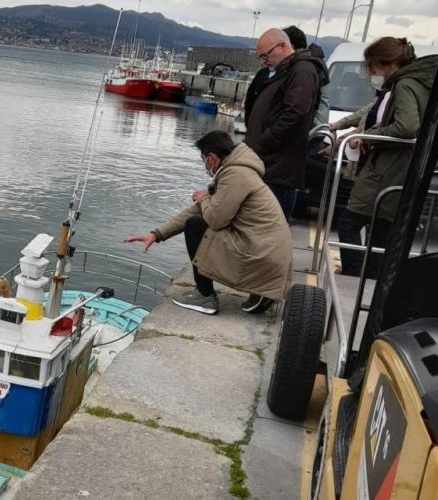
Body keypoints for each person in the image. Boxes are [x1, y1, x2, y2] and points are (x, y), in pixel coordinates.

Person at [124, 131, 292, 315]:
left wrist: (204, 198)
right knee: (196, 219)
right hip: (266, 253)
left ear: (211, 158)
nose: (205, 165)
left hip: (263, 256)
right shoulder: (236, 170)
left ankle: (205, 296)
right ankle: (262, 290)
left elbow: (215, 219)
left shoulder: (236, 175)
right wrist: (157, 234)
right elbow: (199, 209)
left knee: (195, 226)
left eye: (203, 159)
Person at [336, 37, 438, 277]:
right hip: (404, 169)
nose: (373, 76)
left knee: (349, 222)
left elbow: (407, 126)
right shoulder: (421, 83)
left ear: (387, 64)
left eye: (374, 70)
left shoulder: (405, 85)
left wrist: (370, 135)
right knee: (380, 231)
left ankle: (354, 273)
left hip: (388, 169)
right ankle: (368, 276)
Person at [244, 28, 321, 220]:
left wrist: (266, 139)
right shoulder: (286, 70)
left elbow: (295, 111)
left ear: (282, 46)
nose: (264, 61)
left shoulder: (301, 70)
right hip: (269, 161)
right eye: (260, 57)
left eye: (265, 55)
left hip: (278, 165)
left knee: (270, 224)